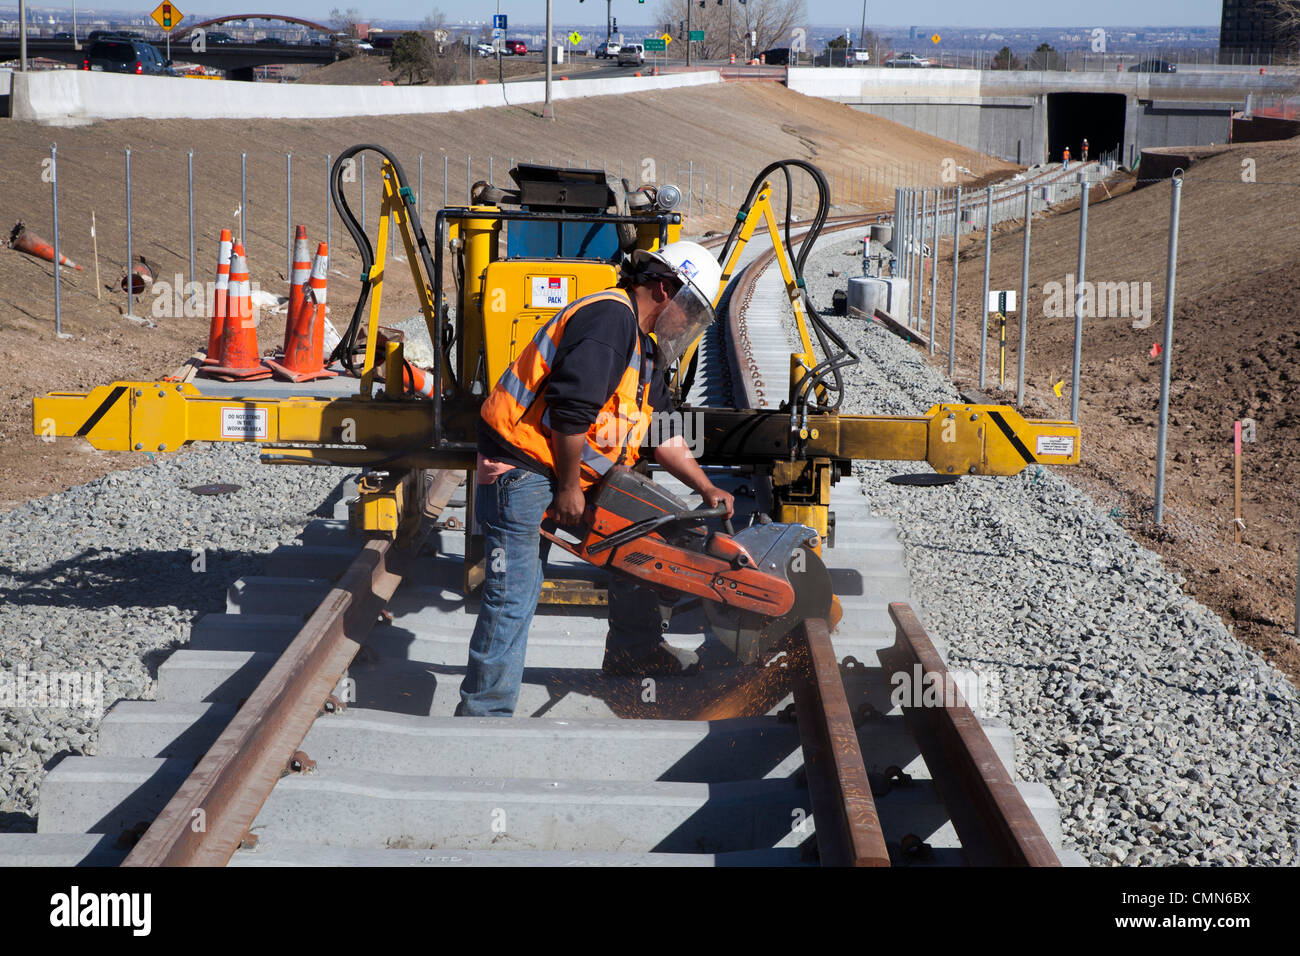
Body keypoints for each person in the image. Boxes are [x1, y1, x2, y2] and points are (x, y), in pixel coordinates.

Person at [458, 240, 734, 717]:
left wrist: (704, 486)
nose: (688, 326)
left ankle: (633, 658)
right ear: (665, 289)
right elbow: (571, 410)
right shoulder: (610, 319)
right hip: (523, 473)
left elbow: (661, 429)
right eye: (690, 312)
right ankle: (484, 714)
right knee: (513, 593)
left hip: (569, 474)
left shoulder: (642, 349)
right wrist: (567, 490)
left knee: (654, 545)